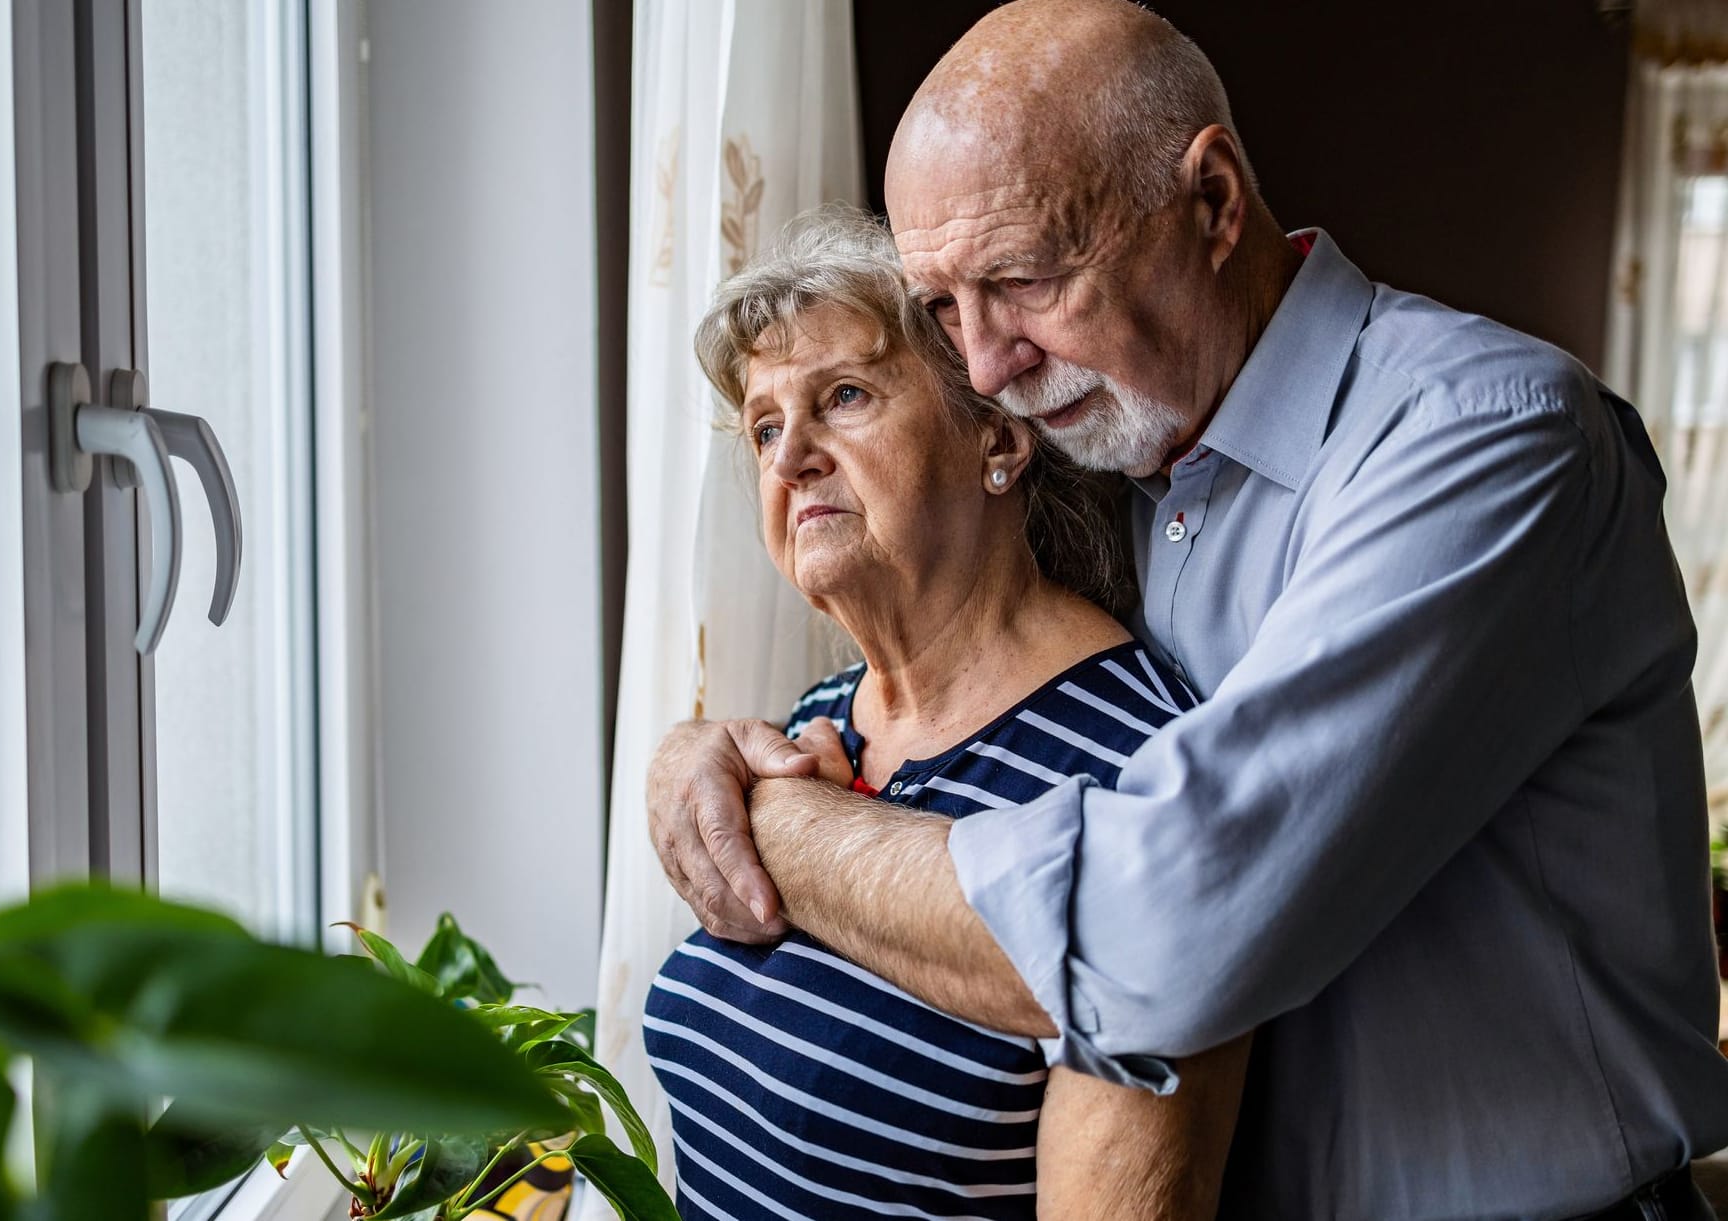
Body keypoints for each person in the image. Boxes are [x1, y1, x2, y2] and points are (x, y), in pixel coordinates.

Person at [645, 1, 1728, 1217]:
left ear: (1211, 203)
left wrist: (769, 823)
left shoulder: (1479, 437)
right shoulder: (1130, 462)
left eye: (1022, 277)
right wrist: (700, 752)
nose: (987, 363)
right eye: (943, 307)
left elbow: (1162, 931)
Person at [643, 207, 1251, 1219]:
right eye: (761, 425)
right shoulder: (818, 722)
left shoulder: (1142, 768)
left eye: (841, 397)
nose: (788, 455)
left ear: (998, 440)